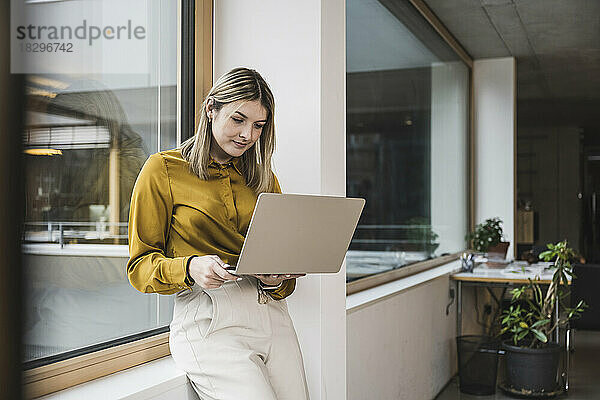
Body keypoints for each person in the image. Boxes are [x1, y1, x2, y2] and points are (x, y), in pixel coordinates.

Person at [126, 67, 310, 400]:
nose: (247, 135)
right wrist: (189, 267)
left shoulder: (264, 178)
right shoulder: (163, 169)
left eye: (258, 126)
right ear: (211, 109)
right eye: (238, 120)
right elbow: (139, 267)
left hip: (271, 313)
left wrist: (275, 279)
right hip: (209, 317)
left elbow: (283, 267)